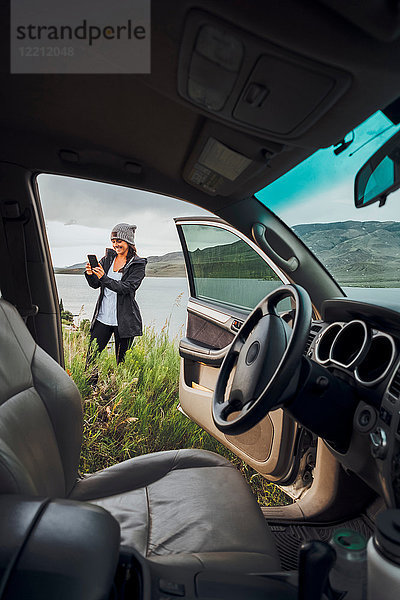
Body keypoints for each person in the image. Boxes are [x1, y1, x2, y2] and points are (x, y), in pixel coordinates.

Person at [85, 223, 146, 366]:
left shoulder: (138, 264)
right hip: (102, 318)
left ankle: (119, 387)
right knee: (91, 358)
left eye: (119, 241)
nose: (115, 245)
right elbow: (95, 284)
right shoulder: (107, 259)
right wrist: (90, 274)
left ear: (129, 242)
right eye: (113, 241)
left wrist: (104, 278)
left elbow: (127, 287)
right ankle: (91, 388)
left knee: (122, 362)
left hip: (124, 322)